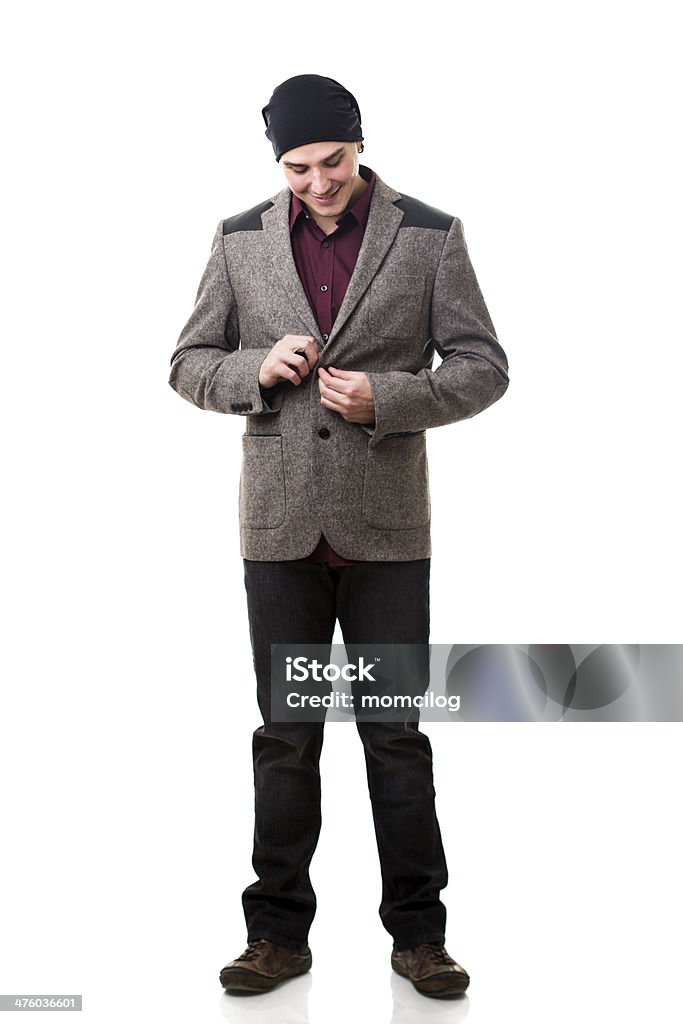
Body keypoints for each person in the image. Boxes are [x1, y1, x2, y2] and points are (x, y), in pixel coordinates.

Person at [168, 73, 509, 999]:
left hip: (386, 533)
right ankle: (275, 936)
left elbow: (483, 367)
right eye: (297, 165)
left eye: (334, 161)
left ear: (360, 145)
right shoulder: (239, 239)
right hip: (279, 531)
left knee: (395, 736)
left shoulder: (429, 235)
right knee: (287, 737)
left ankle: (420, 939)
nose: (317, 182)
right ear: (276, 161)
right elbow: (186, 364)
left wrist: (389, 397)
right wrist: (254, 368)